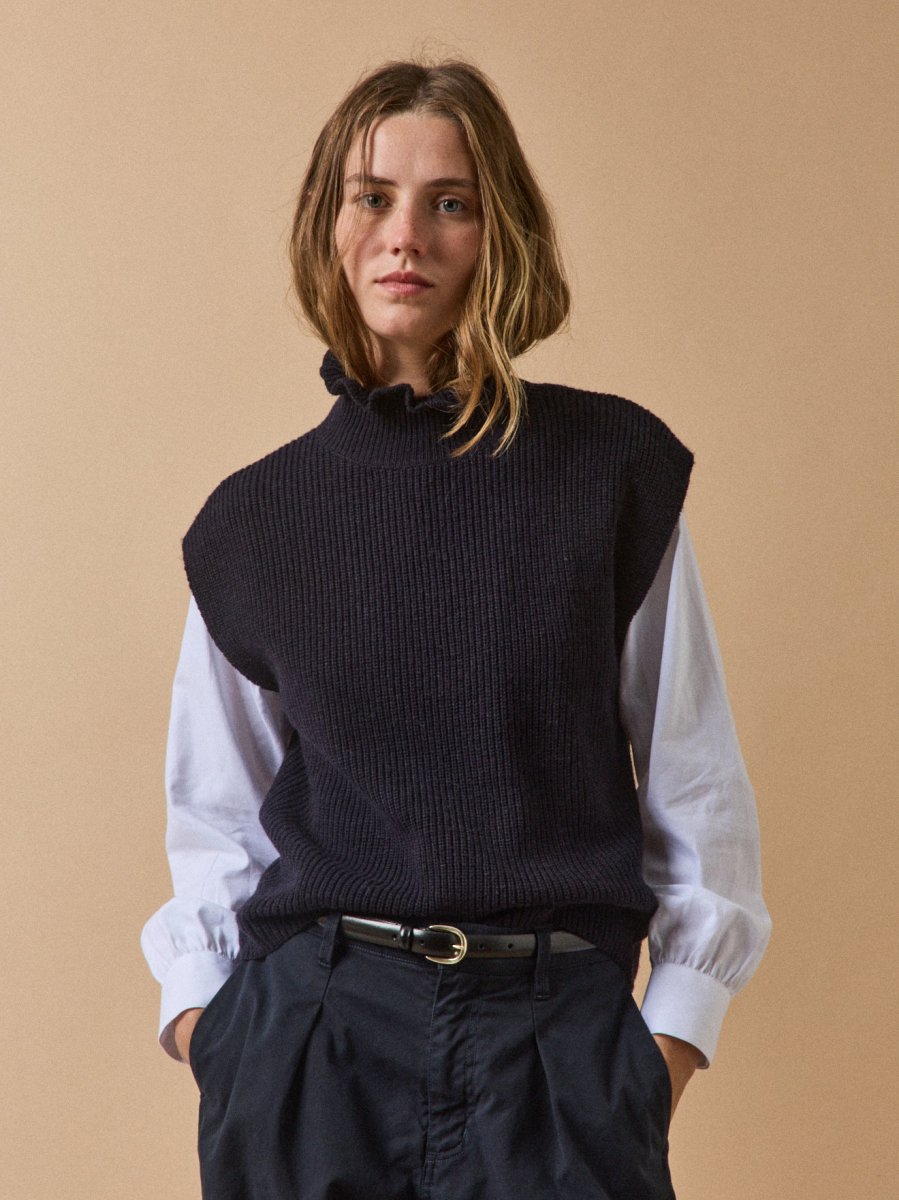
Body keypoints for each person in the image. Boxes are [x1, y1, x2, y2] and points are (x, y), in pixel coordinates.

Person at [141, 56, 771, 1200]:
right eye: (371, 197)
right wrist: (221, 1042)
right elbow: (217, 820)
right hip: (312, 1052)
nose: (405, 237)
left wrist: (653, 1059)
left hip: (551, 1049)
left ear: (499, 234)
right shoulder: (254, 524)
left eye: (448, 202)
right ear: (329, 229)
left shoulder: (609, 477)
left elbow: (695, 786)